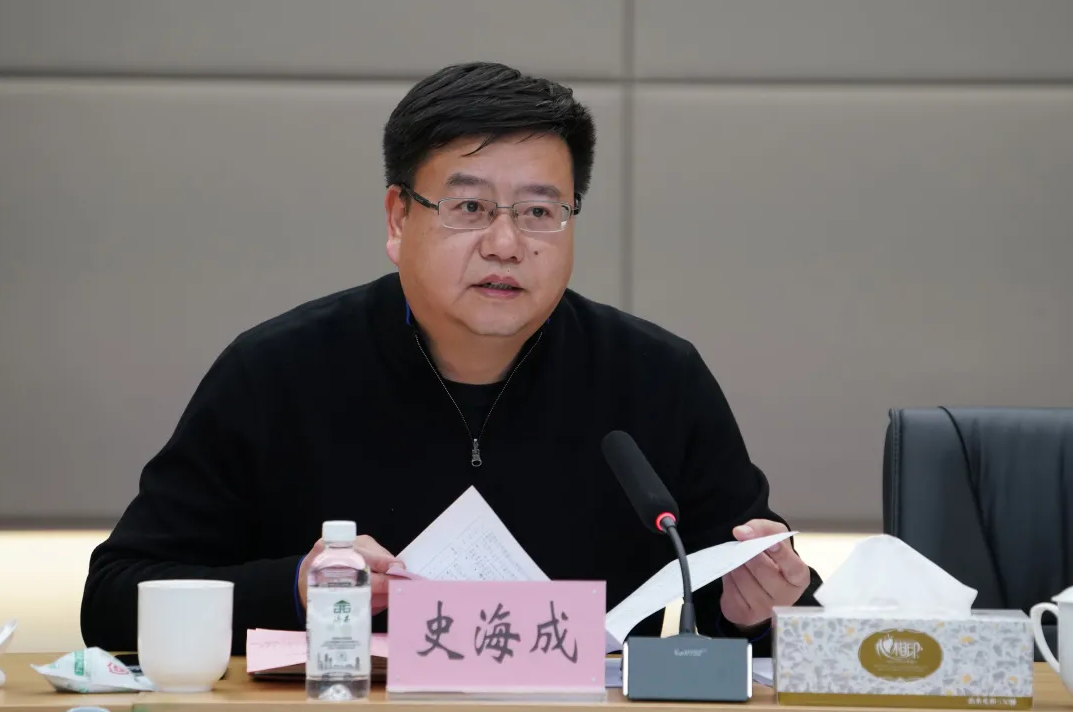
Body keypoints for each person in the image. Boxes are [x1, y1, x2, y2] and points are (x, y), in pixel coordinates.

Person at [81, 61, 821, 656]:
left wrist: (760, 611)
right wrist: (298, 589)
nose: (505, 244)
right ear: (398, 218)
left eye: (539, 212)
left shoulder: (656, 378)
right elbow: (112, 600)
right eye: (469, 208)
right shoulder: (277, 372)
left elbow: (777, 619)